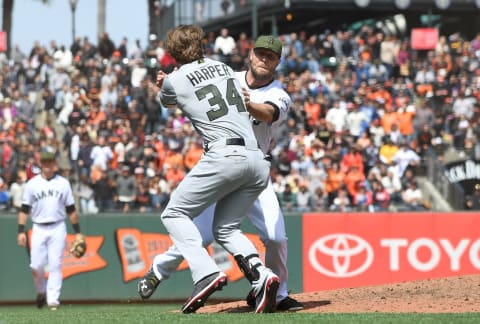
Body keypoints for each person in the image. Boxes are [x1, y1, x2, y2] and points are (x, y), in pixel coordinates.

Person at [137, 34, 304, 312]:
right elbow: (185, 89)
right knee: (200, 235)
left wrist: (246, 103)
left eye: (270, 56)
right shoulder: (226, 74)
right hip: (231, 166)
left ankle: (278, 293)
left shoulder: (278, 93)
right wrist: (169, 84)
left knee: (275, 237)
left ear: (277, 63)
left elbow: (268, 113)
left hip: (249, 168)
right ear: (250, 54)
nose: (264, 59)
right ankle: (158, 269)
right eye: (260, 53)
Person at [16, 148, 84, 310]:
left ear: (55, 164)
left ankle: (53, 300)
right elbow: (24, 209)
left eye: (50, 162)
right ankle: (41, 291)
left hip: (57, 226)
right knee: (36, 265)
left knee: (55, 264)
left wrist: (78, 232)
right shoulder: (32, 184)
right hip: (38, 227)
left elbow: (71, 210)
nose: (47, 165)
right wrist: (20, 231)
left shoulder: (63, 183)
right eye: (44, 162)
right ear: (41, 164)